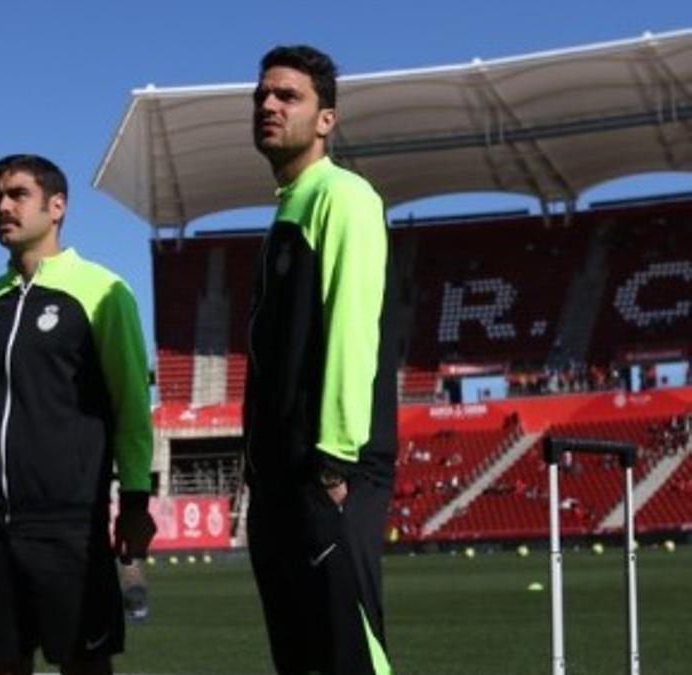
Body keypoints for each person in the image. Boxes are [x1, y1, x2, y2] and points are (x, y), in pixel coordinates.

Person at [0, 154, 156, 675]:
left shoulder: (103, 290)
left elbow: (130, 403)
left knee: (84, 664)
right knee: (0, 665)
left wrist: (133, 499)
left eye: (17, 195)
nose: (2, 206)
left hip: (68, 524)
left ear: (56, 206)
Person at [243, 45, 399, 674]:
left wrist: (334, 458)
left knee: (347, 657)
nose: (268, 105)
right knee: (302, 659)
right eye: (261, 95)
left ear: (326, 119)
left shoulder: (344, 196)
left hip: (326, 474)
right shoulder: (288, 209)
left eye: (288, 96)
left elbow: (352, 328)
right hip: (281, 477)